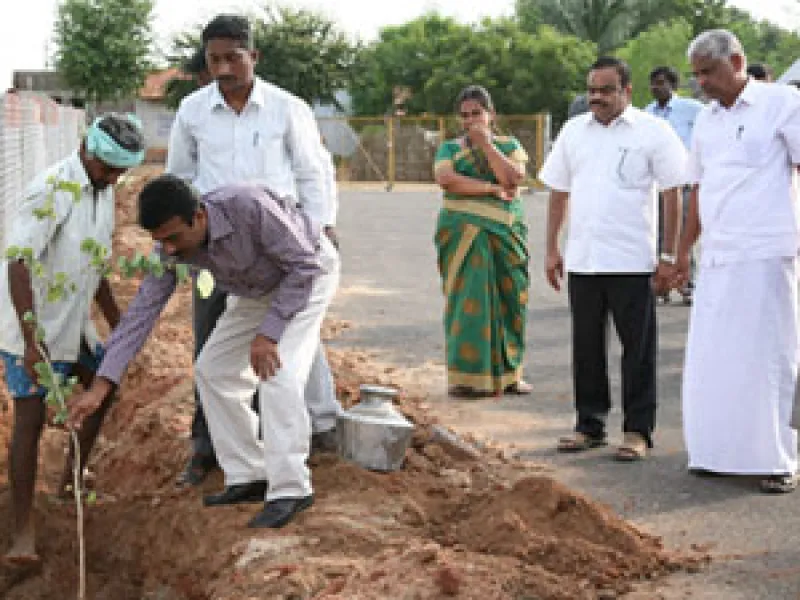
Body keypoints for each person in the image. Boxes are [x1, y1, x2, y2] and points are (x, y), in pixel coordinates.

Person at [68, 175, 340, 527]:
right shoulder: (170, 249)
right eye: (160, 241)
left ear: (198, 216)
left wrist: (269, 334)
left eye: (173, 238)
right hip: (255, 290)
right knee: (212, 369)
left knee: (278, 374)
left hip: (305, 277)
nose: (169, 250)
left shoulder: (248, 205)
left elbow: (304, 267)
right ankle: (249, 473)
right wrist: (101, 386)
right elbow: (140, 314)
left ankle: (291, 488)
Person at [166, 14, 341, 486]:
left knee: (284, 343)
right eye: (214, 60)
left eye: (233, 58)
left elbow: (312, 172)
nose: (223, 68)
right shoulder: (193, 111)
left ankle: (303, 438)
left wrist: (320, 227)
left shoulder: (287, 108)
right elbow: (180, 177)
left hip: (277, 247)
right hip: (214, 249)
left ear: (254, 56)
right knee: (212, 345)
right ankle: (208, 449)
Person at [0, 114, 145, 565]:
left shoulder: (102, 191)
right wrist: (31, 342)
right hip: (33, 327)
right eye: (108, 169)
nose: (113, 178)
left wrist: (118, 324)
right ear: (87, 149)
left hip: (74, 324)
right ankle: (22, 533)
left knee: (104, 383)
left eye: (120, 172)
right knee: (30, 420)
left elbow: (94, 264)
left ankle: (70, 481)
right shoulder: (52, 190)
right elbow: (18, 263)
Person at [539, 57, 688, 461]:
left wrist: (669, 255)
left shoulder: (653, 132)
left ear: (627, 91)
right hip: (584, 259)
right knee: (586, 348)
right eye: (592, 90)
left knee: (637, 350)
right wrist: (552, 248)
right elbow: (558, 191)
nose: (597, 97)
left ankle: (638, 431)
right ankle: (589, 425)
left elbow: (673, 193)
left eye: (606, 90)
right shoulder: (573, 131)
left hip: (632, 261)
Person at [674, 30, 800, 493]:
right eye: (697, 74)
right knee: (715, 360)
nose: (702, 82)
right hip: (719, 257)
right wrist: (680, 253)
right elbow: (697, 190)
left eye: (709, 72)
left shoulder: (782, 103)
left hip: (768, 253)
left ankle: (779, 460)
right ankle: (716, 452)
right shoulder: (706, 121)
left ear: (738, 61)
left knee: (772, 359)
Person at [433, 85, 531, 398]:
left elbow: (512, 178)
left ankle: (511, 374)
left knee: (511, 299)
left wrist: (486, 145)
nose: (470, 120)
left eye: (477, 113)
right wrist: (490, 189)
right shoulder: (449, 149)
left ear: (491, 115)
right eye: (464, 116)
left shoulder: (509, 146)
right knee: (468, 300)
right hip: (462, 232)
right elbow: (447, 180)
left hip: (506, 232)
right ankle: (467, 378)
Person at [645, 66, 704, 305]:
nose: (655, 88)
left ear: (673, 85)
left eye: (660, 83)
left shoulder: (692, 109)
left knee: (683, 235)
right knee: (659, 235)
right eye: (653, 83)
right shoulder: (647, 113)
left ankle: (687, 284)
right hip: (656, 185)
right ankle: (662, 287)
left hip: (682, 183)